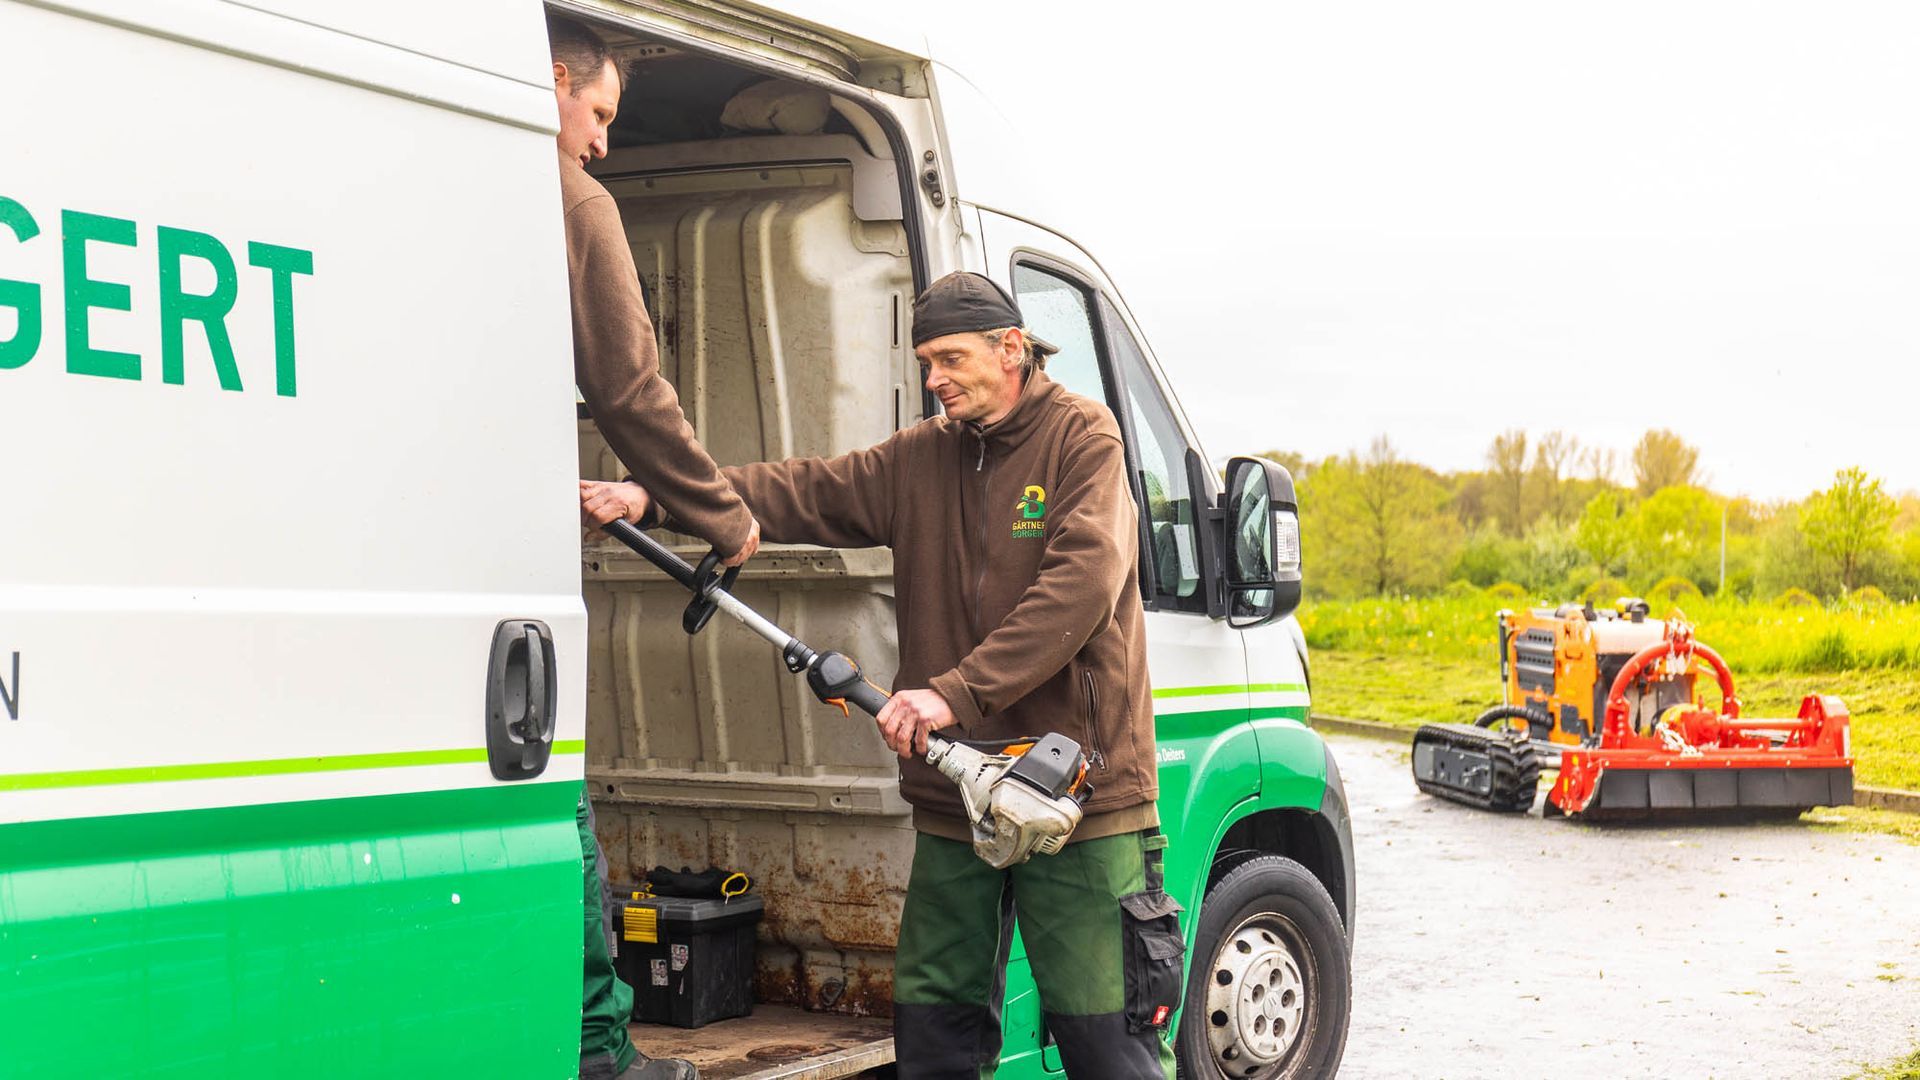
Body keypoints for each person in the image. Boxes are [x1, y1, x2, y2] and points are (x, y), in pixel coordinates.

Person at [614, 272, 1181, 1078]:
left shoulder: (1084, 439)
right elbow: (802, 489)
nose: (934, 379)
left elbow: (1081, 586)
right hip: (957, 794)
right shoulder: (922, 456)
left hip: (1077, 801)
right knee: (933, 1036)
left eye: (950, 358)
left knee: (1107, 1043)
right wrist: (658, 495)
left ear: (1011, 349)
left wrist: (952, 693)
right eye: (925, 361)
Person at [549, 13, 761, 1080]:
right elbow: (630, 388)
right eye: (597, 114)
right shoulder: (567, 198)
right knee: (558, 808)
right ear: (552, 84)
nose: (600, 145)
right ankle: (599, 1051)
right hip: (506, 586)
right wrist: (723, 517)